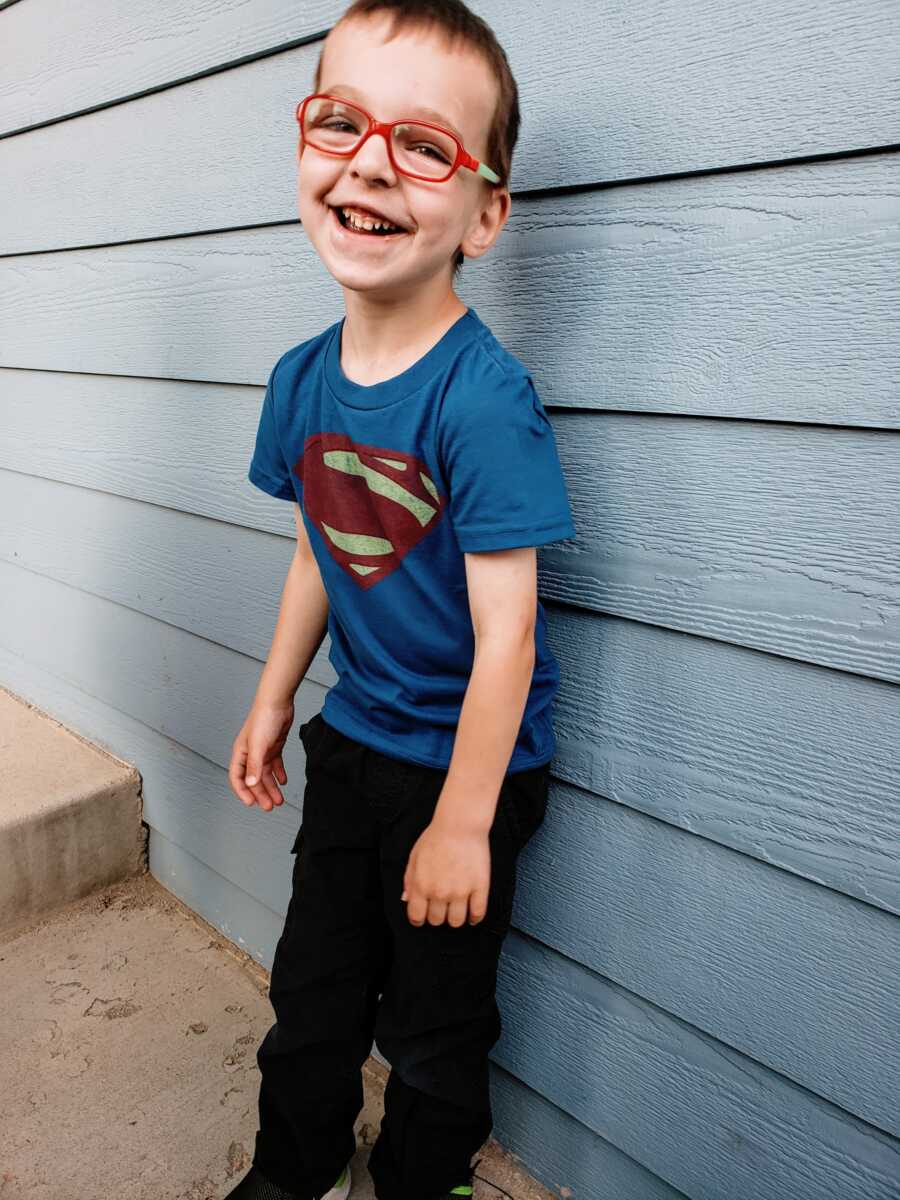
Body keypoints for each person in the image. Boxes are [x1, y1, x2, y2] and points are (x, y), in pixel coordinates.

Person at [226, 2, 576, 1197]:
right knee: (313, 987)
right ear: (307, 150)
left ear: (483, 216)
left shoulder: (481, 401)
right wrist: (274, 698)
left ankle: (422, 1181)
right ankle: (293, 1164)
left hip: (467, 765)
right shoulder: (301, 378)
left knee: (432, 1022)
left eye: (424, 144)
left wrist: (466, 819)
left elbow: (510, 632)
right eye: (342, 122)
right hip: (356, 739)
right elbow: (323, 548)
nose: (371, 159)